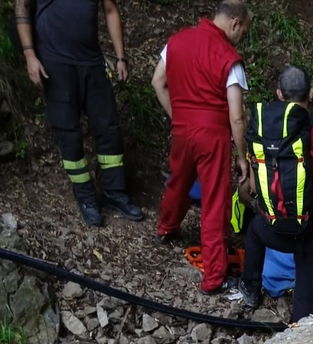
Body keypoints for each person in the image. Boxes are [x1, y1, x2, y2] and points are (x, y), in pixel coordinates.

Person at [151, 0, 250, 295]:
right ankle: (214, 277)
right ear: (235, 23)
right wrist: (242, 157)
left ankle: (166, 228)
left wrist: (178, 116)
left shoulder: (176, 41)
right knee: (215, 202)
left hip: (183, 130)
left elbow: (158, 82)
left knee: (178, 182)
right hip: (214, 136)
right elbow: (236, 116)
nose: (242, 37)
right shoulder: (229, 58)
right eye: (243, 31)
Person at [15, 0, 142, 226]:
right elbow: (22, 6)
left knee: (109, 128)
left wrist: (120, 56)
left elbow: (110, 9)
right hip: (55, 63)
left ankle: (115, 192)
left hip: (92, 62)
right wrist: (29, 55)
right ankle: (86, 197)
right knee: (69, 133)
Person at [239, 66, 313, 323]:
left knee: (253, 229)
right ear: (311, 94)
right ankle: (299, 326)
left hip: (271, 228)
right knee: (304, 313)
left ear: (278, 94)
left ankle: (250, 290)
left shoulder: (261, 135)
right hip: (312, 235)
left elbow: (253, 186)